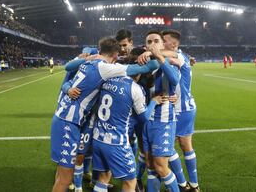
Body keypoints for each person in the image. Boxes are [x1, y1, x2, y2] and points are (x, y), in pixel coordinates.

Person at [51, 38, 160, 192]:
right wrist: (155, 55)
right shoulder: (105, 68)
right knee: (65, 179)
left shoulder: (89, 62)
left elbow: (68, 67)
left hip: (67, 119)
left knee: (62, 174)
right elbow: (148, 67)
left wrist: (87, 58)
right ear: (115, 55)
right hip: (68, 121)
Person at [138, 30, 180, 192]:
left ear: (162, 44)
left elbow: (175, 80)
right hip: (148, 120)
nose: (152, 44)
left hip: (164, 121)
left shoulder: (169, 61)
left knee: (161, 166)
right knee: (150, 164)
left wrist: (160, 57)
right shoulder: (145, 65)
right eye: (149, 42)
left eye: (156, 41)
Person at [163, 29, 200, 192]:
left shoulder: (180, 57)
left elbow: (170, 58)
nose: (161, 43)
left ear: (173, 44)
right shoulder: (181, 55)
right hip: (175, 107)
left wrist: (149, 52)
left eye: (164, 40)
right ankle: (186, 184)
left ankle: (190, 184)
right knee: (174, 146)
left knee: (180, 145)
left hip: (183, 109)